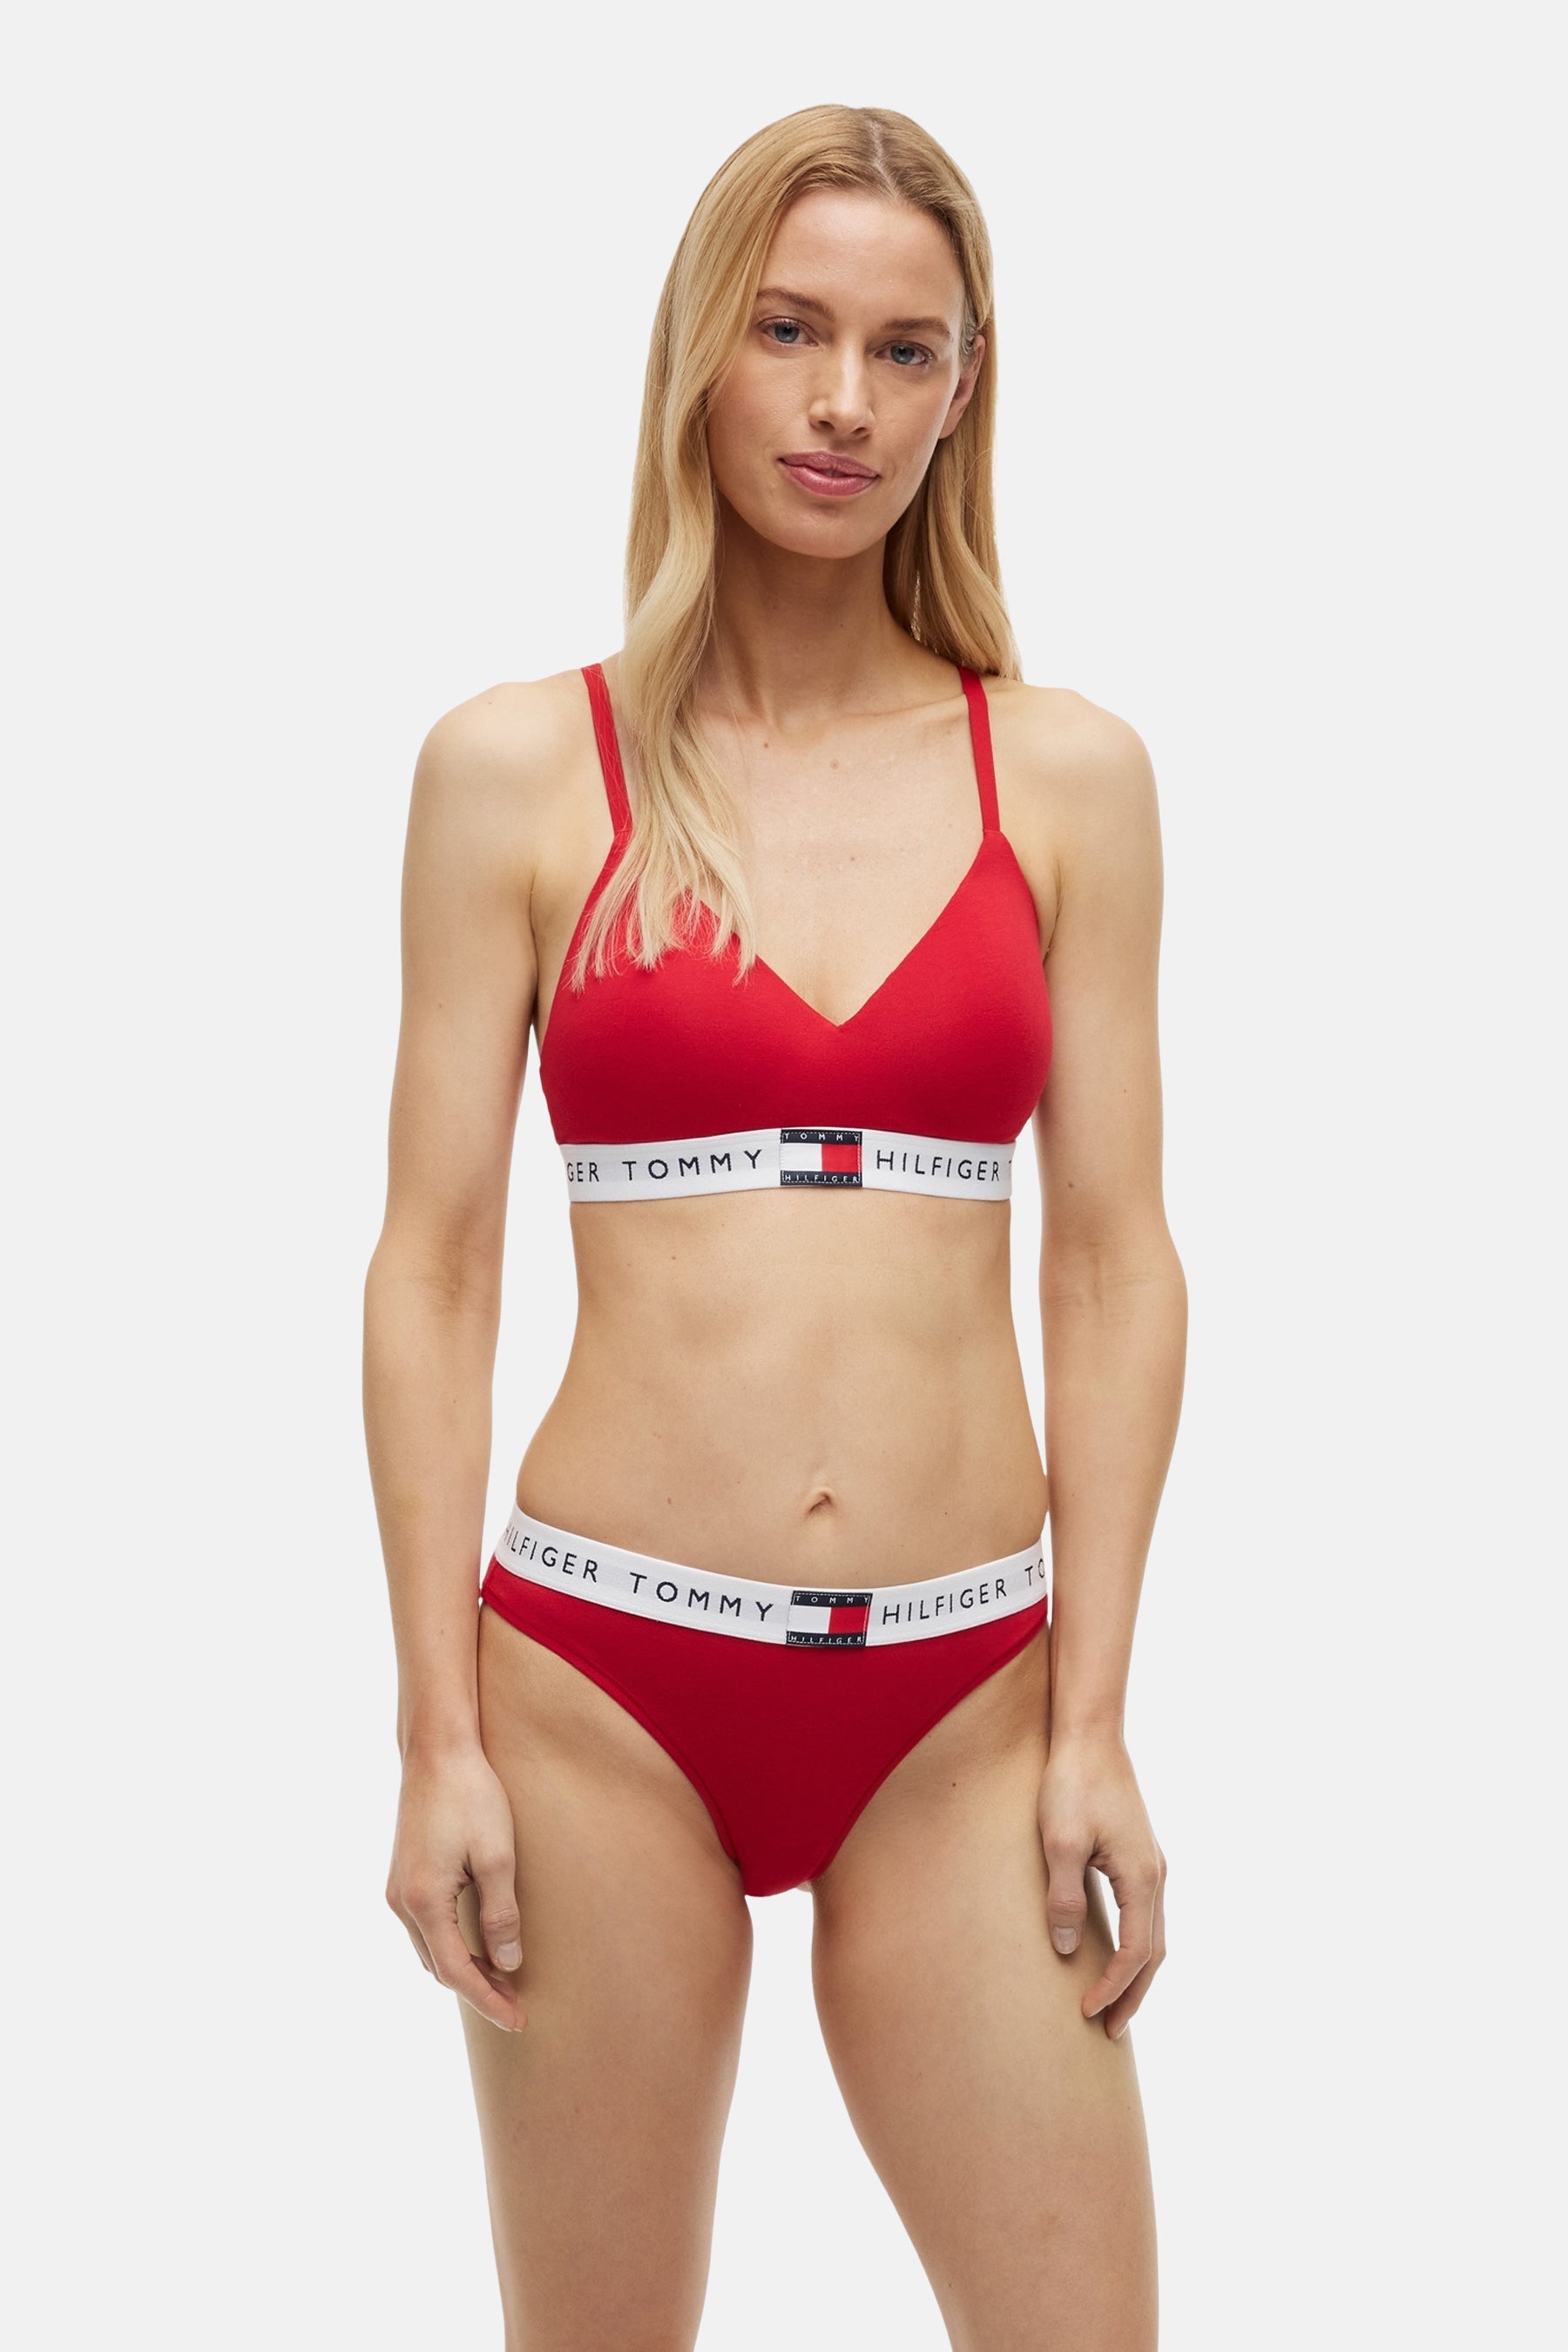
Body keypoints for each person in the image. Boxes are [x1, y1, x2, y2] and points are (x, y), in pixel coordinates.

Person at [364, 102, 1185, 2352]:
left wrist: (1095, 1714)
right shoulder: (518, 771)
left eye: (906, 351)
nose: (844, 404)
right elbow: (434, 1264)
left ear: (965, 388)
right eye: (790, 330)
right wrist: (437, 1733)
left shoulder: (1069, 777)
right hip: (597, 1687)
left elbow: (1113, 1258)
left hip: (965, 1705)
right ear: (698, 352)